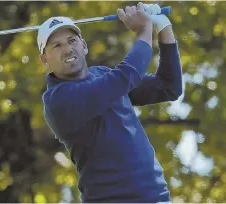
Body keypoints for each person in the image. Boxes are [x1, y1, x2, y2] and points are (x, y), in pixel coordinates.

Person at [37, 2, 182, 203]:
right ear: (44, 60)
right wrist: (144, 29)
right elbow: (125, 76)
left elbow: (168, 86)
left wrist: (163, 27)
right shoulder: (58, 100)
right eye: (57, 45)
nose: (68, 49)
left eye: (72, 40)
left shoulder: (103, 74)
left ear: (84, 46)